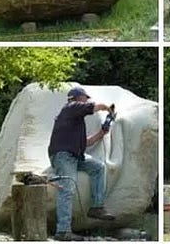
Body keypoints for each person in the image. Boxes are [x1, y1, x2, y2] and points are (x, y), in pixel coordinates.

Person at [48, 86, 116, 241]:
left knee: (98, 167)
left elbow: (85, 142)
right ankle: (63, 231)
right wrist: (107, 108)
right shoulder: (70, 108)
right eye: (86, 98)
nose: (87, 100)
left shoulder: (74, 120)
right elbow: (91, 107)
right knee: (67, 188)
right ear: (78, 98)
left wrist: (102, 132)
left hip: (75, 155)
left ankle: (96, 207)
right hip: (63, 155)